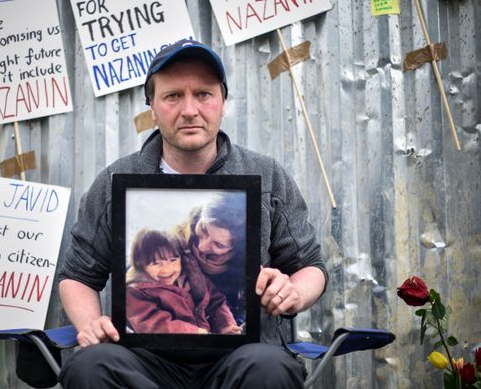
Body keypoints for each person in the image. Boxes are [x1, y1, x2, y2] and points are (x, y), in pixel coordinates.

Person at [58, 39, 328, 388]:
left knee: (271, 367)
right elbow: (78, 275)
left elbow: (311, 266)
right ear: (152, 107)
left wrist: (292, 290)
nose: (189, 109)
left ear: (222, 103)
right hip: (143, 362)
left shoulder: (267, 176)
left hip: (242, 357)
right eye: (172, 96)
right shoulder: (114, 183)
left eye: (203, 94)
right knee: (90, 365)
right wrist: (91, 326)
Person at [125, 228, 240, 335]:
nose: (167, 270)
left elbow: (216, 301)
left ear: (181, 257)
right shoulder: (137, 292)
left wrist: (226, 324)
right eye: (156, 263)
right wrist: (195, 332)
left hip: (205, 340)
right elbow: (154, 324)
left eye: (173, 260)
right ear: (140, 264)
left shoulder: (194, 277)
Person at [174, 192, 248, 324]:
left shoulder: (242, 274)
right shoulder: (174, 240)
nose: (202, 247)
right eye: (204, 229)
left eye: (219, 245)